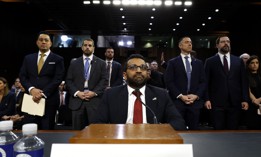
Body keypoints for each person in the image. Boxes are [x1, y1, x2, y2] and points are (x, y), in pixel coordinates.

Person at [92, 54, 186, 131]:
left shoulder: (161, 94)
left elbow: (178, 123)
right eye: (133, 67)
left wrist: (156, 129)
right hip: (121, 142)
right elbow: (97, 123)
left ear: (147, 73)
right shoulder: (111, 95)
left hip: (152, 142)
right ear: (124, 75)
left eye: (143, 67)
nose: (139, 71)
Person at [19, 31, 65, 130]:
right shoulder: (28, 58)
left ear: (50, 43)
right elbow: (23, 76)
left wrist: (42, 93)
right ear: (37, 42)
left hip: (49, 100)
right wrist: (31, 89)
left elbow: (57, 79)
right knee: (29, 130)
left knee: (47, 130)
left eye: (46, 40)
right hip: (30, 99)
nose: (43, 42)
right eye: (41, 40)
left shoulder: (58, 59)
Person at [204, 35, 249, 130]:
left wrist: (245, 99)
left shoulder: (238, 61)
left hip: (235, 102)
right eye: (223, 42)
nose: (226, 43)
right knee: (218, 132)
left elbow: (243, 82)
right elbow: (206, 82)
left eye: (228, 41)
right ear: (217, 45)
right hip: (216, 103)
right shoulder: (210, 61)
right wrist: (207, 99)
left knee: (233, 132)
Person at [164, 37, 206, 130]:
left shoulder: (198, 63)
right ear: (180, 46)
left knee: (194, 132)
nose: (190, 44)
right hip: (178, 102)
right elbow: (169, 81)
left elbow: (203, 82)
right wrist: (180, 96)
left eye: (190, 42)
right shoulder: (172, 62)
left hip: (194, 103)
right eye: (186, 42)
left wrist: (196, 96)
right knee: (178, 131)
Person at [66, 38, 107, 130]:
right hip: (77, 102)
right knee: (77, 132)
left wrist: (94, 92)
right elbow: (68, 80)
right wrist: (77, 93)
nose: (87, 47)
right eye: (85, 45)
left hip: (94, 102)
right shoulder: (74, 63)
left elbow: (104, 80)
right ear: (82, 47)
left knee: (95, 132)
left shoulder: (102, 63)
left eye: (90, 45)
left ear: (94, 48)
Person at [245, 55, 261, 129]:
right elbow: (247, 90)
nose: (255, 65)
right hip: (251, 104)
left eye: (257, 63)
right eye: (252, 63)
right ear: (248, 65)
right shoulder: (245, 76)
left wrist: (259, 100)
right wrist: (255, 100)